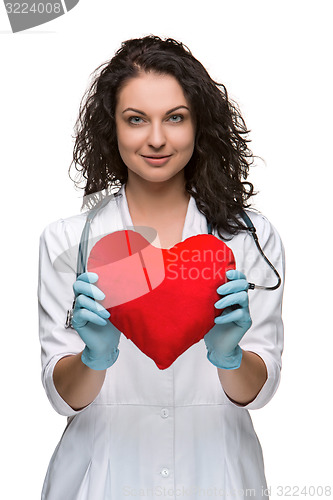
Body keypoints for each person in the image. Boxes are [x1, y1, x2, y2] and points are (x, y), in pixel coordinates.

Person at [38, 35, 285, 500]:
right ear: (112, 129)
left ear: (199, 125)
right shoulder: (67, 242)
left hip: (217, 475)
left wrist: (230, 357)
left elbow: (260, 388)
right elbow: (61, 395)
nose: (156, 138)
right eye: (136, 120)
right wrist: (94, 359)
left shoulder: (249, 238)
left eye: (175, 118)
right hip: (102, 476)